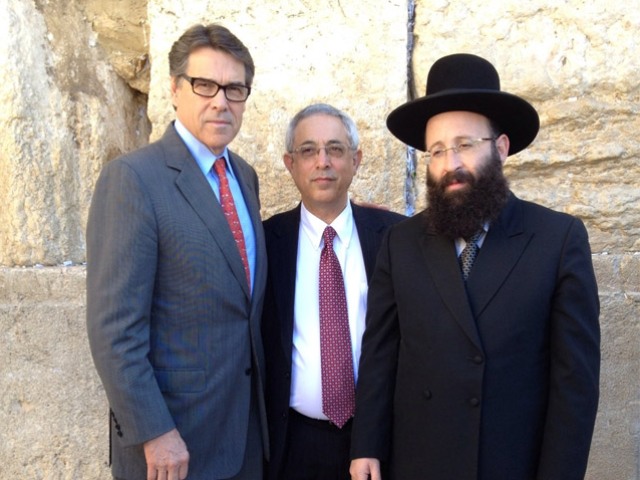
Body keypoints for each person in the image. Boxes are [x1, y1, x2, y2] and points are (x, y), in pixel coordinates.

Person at [349, 54, 600, 480]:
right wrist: (366, 446)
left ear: (500, 148)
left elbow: (574, 388)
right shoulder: (401, 243)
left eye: (465, 144)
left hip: (511, 463)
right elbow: (380, 356)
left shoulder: (558, 240)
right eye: (437, 151)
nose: (451, 165)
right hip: (418, 462)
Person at [86, 24, 268, 480]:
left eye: (234, 88)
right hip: (172, 449)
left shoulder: (244, 177)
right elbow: (114, 329)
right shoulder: (133, 179)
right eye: (204, 85)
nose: (220, 101)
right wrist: (154, 432)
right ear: (173, 89)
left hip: (244, 438)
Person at [261, 103, 405, 480]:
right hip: (293, 444)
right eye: (308, 150)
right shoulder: (265, 243)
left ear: (356, 160)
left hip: (380, 439)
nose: (322, 161)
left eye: (335, 149)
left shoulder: (397, 236)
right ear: (290, 163)